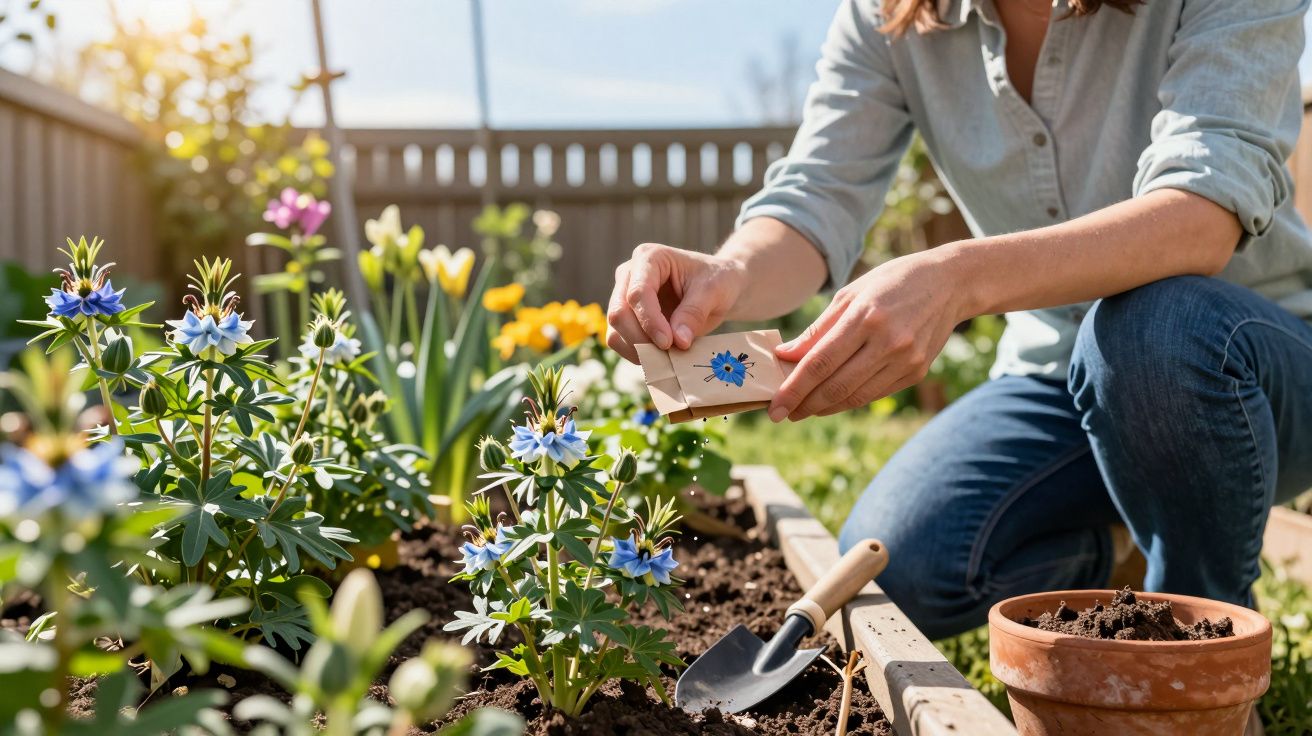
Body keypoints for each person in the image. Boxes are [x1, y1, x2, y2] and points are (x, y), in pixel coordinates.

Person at [604, 0, 1312, 643]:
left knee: (1153, 327)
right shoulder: (895, 16)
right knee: (899, 573)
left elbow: (1200, 214)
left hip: (1242, 371)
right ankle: (1117, 549)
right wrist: (727, 274)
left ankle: (1203, 651)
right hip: (1056, 377)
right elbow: (817, 193)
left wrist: (959, 279)